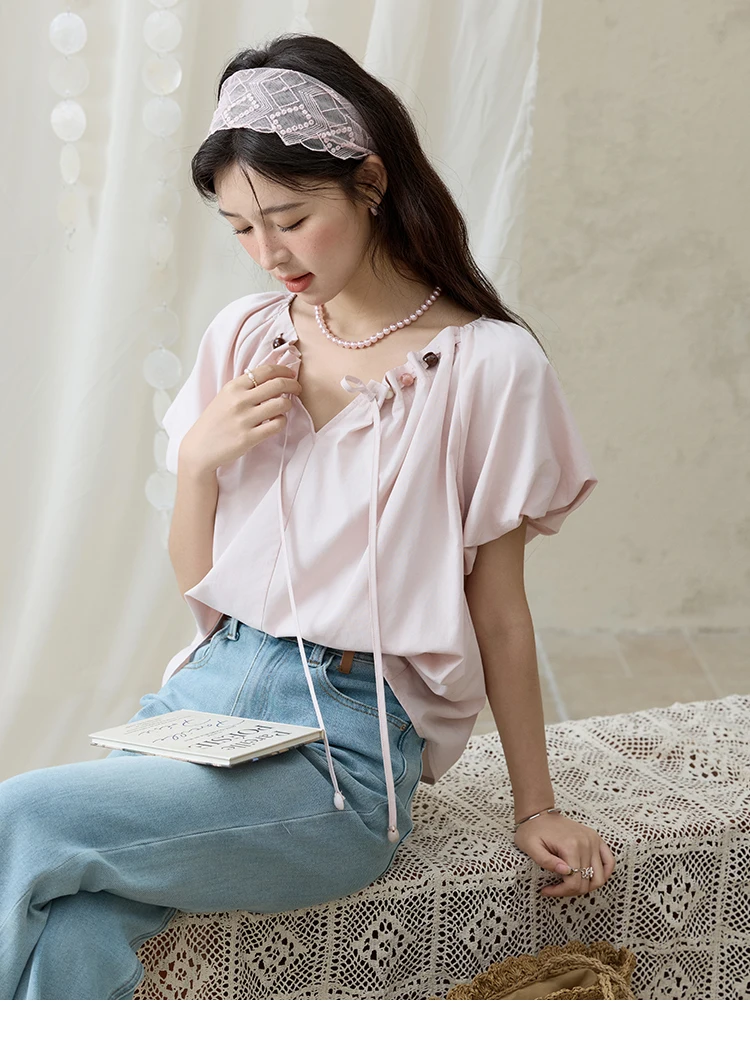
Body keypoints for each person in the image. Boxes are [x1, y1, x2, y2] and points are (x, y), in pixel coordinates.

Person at [0, 33, 614, 1001]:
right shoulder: (244, 337)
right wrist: (199, 460)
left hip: (341, 754)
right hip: (203, 703)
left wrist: (534, 806)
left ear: (370, 182)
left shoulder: (489, 368)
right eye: (241, 228)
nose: (268, 253)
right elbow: (201, 583)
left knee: (22, 818)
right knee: (74, 923)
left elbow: (499, 610)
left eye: (290, 218)